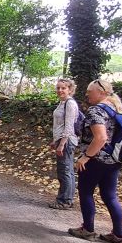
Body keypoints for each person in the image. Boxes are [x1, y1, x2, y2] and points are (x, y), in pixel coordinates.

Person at [68, 79, 122, 243]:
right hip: (113, 160)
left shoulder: (96, 110)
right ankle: (118, 234)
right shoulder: (116, 108)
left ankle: (87, 229)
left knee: (86, 192)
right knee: (110, 196)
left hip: (96, 160)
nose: (87, 94)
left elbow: (101, 138)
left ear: (102, 93)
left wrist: (86, 157)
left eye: (90, 91)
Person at [49, 78, 79, 209]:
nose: (60, 90)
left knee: (65, 171)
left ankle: (64, 200)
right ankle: (67, 199)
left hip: (67, 141)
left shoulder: (70, 104)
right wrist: (55, 140)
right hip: (62, 139)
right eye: (58, 88)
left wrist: (62, 143)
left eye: (63, 88)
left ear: (70, 90)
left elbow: (69, 126)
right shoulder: (62, 103)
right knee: (68, 170)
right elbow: (60, 125)